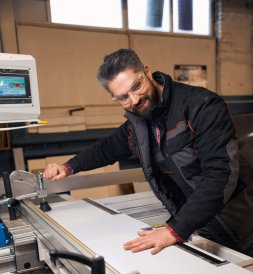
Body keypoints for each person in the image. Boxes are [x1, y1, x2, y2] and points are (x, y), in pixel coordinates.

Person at [44, 48, 253, 257]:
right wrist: (68, 167)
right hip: (199, 226)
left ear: (146, 71)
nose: (134, 100)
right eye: (123, 97)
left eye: (136, 86)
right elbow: (106, 148)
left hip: (240, 223)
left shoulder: (201, 105)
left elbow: (220, 175)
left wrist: (174, 230)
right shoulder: (139, 123)